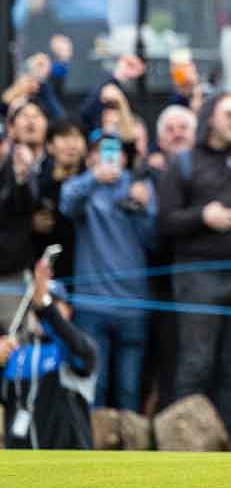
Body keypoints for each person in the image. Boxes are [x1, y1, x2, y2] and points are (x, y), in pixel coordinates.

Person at [155, 93, 231, 432]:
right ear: (210, 118)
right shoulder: (183, 163)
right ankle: (183, 439)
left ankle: (224, 440)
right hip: (199, 274)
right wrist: (202, 216)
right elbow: (166, 221)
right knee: (197, 362)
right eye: (230, 116)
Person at [59, 131, 159, 413]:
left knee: (128, 389)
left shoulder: (139, 187)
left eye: (114, 152)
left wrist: (144, 207)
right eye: (101, 152)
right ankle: (92, 451)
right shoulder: (83, 187)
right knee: (96, 386)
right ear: (90, 158)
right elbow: (66, 204)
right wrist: (94, 177)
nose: (109, 159)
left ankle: (129, 453)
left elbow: (154, 240)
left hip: (133, 306)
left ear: (125, 158)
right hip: (92, 305)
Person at [0, 252, 98, 449]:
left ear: (68, 311)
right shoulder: (15, 352)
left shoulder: (71, 347)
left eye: (54, 302)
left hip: (67, 465)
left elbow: (83, 354)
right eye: (32, 306)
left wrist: (45, 306)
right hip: (20, 466)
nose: (37, 311)